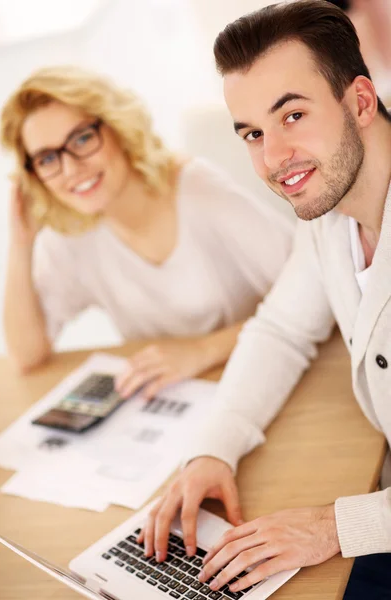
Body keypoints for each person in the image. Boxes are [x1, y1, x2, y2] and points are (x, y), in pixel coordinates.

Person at [139, 1, 391, 597]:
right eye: (253, 132)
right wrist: (212, 450)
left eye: (293, 115)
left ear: (359, 101)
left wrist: (335, 526)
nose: (274, 158)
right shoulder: (330, 214)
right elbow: (282, 329)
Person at [0, 66, 293, 396]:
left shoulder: (197, 190)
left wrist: (203, 350)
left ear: (118, 128)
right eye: (47, 159)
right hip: (181, 397)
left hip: (267, 375)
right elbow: (26, 356)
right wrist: (20, 244)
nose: (70, 169)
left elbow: (315, 286)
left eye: (82, 138)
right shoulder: (74, 233)